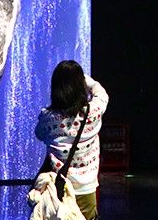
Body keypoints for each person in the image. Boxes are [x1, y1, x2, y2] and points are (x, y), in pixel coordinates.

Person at [34, 60, 109, 220]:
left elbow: (39, 135)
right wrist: (86, 80)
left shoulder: (47, 117)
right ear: (81, 86)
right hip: (86, 188)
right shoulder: (93, 112)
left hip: (58, 188)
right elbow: (102, 93)